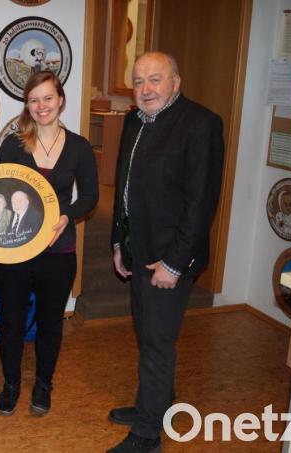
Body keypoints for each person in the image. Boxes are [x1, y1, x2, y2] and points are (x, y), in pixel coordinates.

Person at [107, 52, 224, 453]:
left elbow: (201, 203)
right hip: (138, 249)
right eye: (138, 81)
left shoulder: (201, 124)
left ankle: (146, 433)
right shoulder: (134, 121)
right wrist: (119, 241)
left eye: (155, 80)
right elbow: (123, 187)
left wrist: (174, 263)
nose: (145, 89)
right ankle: (156, 404)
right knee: (146, 332)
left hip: (170, 257)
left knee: (157, 342)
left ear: (176, 81)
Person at [0, 70, 98, 417]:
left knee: (51, 321)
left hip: (59, 250)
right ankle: (11, 384)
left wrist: (67, 215)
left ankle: (43, 384)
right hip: (15, 249)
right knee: (11, 319)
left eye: (48, 98)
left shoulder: (80, 147)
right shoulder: (13, 144)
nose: (42, 106)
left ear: (61, 100)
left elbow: (90, 196)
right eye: (34, 100)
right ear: (27, 104)